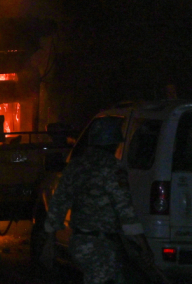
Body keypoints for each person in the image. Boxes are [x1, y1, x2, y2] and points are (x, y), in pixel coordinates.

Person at [40, 116, 154, 284]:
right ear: (113, 143)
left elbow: (58, 204)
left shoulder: (75, 166)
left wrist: (48, 242)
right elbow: (126, 213)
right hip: (101, 247)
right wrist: (144, 247)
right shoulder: (113, 168)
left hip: (79, 242)